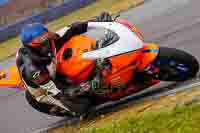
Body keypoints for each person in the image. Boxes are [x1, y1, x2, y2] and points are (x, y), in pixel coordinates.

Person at [16, 12, 116, 116]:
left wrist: (96, 21)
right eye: (42, 45)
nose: (47, 47)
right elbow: (56, 90)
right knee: (83, 105)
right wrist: (80, 89)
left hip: (52, 73)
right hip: (45, 89)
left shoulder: (50, 40)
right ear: (32, 47)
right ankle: (66, 109)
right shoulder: (33, 70)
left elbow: (72, 29)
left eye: (48, 41)